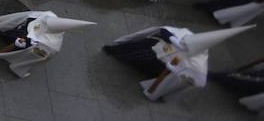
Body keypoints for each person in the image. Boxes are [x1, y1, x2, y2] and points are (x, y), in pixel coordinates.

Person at [104, 25, 254, 100]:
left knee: (148, 63)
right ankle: (116, 51)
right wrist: (173, 40)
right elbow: (163, 30)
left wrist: (175, 71)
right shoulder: (186, 35)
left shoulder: (198, 62)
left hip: (161, 67)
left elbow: (198, 81)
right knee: (141, 47)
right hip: (156, 48)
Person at [0, 10, 96, 78]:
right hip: (20, 34)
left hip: (23, 39)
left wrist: (23, 44)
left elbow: (35, 52)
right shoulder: (48, 17)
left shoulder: (49, 45)